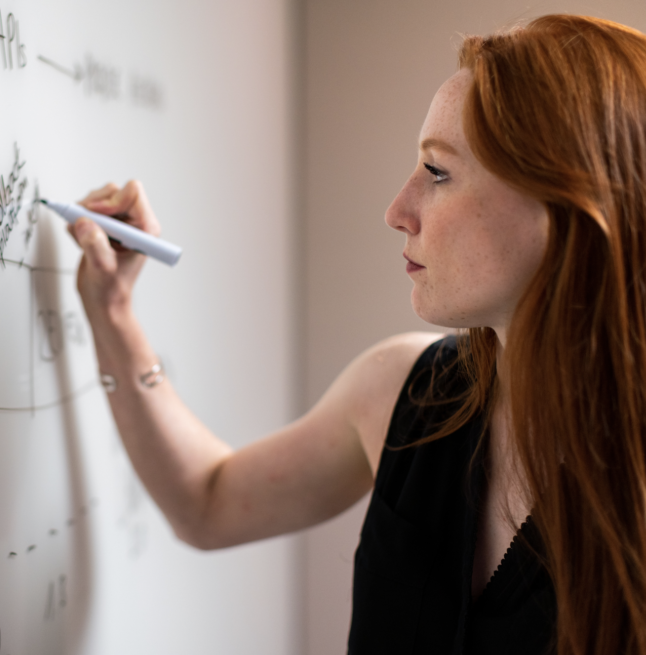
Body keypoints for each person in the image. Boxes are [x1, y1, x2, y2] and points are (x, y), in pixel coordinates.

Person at [67, 14, 646, 655]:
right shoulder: (407, 392)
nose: (398, 211)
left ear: (564, 205)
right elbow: (206, 502)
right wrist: (114, 312)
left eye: (438, 171)